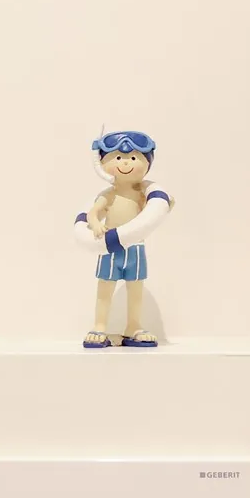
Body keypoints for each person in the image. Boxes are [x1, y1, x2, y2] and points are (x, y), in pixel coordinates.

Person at [70, 131, 172, 348]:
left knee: (136, 290)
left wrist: (166, 205)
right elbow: (92, 213)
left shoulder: (143, 194)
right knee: (105, 289)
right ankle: (99, 326)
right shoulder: (108, 195)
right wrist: (96, 224)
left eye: (133, 158)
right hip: (109, 249)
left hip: (135, 248)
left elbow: (154, 211)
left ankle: (133, 326)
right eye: (118, 158)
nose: (125, 163)